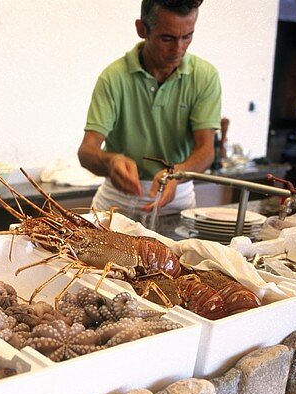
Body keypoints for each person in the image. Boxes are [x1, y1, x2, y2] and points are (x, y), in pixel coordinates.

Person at [78, 0, 220, 232]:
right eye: (167, 38)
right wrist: (110, 161)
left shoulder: (205, 77)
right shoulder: (113, 77)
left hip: (177, 202)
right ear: (142, 29)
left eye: (187, 37)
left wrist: (176, 174)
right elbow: (86, 151)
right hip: (117, 204)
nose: (178, 49)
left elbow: (206, 150)